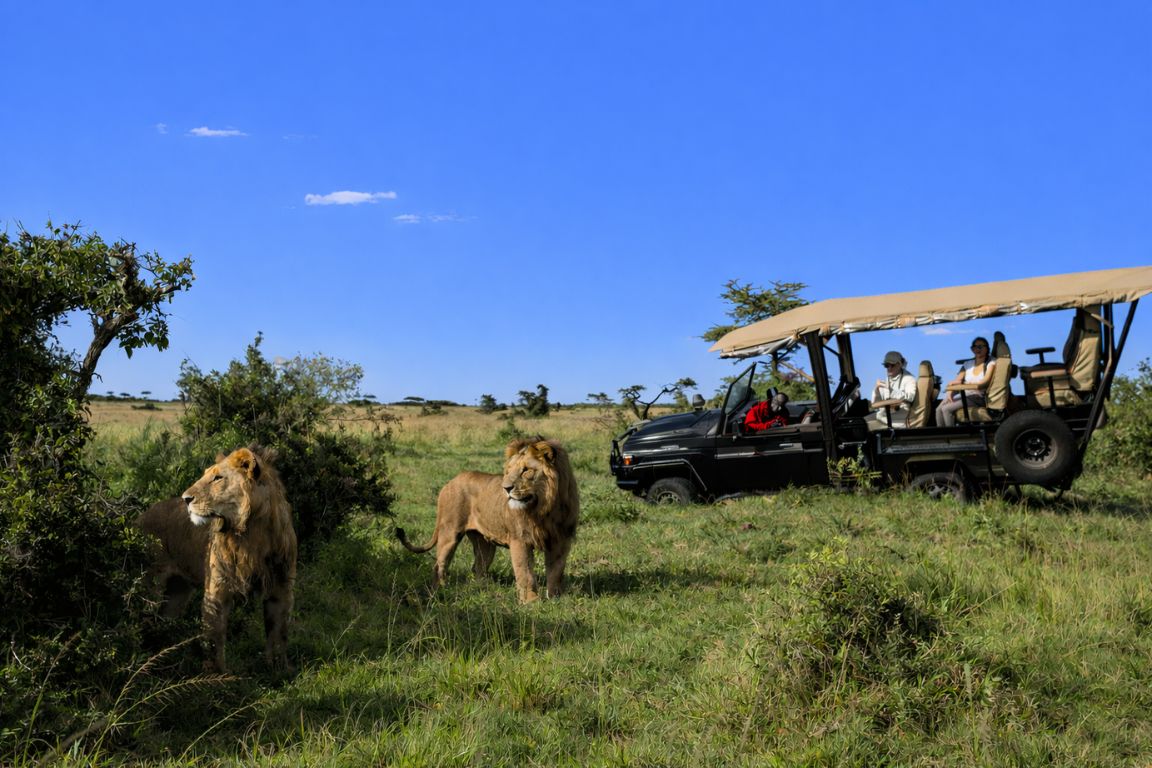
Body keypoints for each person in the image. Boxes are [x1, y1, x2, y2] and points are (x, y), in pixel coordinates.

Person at [936, 336, 997, 427]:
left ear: (987, 348)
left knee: (946, 409)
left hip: (978, 397)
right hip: (965, 394)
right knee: (938, 409)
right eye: (974, 347)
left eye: (980, 347)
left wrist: (966, 385)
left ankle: (953, 437)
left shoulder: (991, 362)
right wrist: (950, 391)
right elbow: (957, 380)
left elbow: (984, 383)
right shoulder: (967, 364)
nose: (977, 349)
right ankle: (942, 437)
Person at [868, 351, 917, 429]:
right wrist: (876, 389)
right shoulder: (888, 379)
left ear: (900, 365)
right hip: (884, 415)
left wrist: (891, 391)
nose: (889, 368)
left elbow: (910, 397)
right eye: (886, 365)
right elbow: (875, 403)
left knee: (863, 427)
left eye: (892, 365)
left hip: (897, 420)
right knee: (860, 421)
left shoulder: (909, 379)